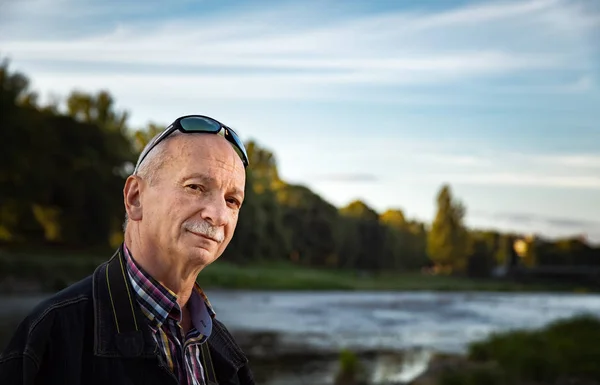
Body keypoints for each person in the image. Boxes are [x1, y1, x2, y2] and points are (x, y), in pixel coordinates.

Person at [0, 115, 256, 385]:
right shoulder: (50, 335)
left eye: (232, 200)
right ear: (135, 198)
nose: (217, 214)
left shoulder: (223, 349)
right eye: (195, 187)